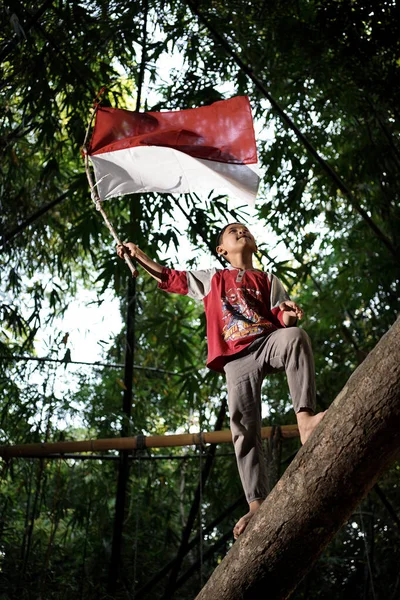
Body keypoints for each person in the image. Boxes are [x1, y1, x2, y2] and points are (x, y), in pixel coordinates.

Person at [117, 222, 325, 539]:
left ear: (254, 243)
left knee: (295, 337)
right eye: (233, 232)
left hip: (266, 343)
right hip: (235, 358)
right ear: (222, 250)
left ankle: (306, 420)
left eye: (245, 230)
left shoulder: (269, 280)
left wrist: (290, 317)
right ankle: (257, 502)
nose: (242, 232)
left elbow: (280, 316)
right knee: (242, 426)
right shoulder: (213, 279)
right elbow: (172, 278)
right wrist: (140, 255)